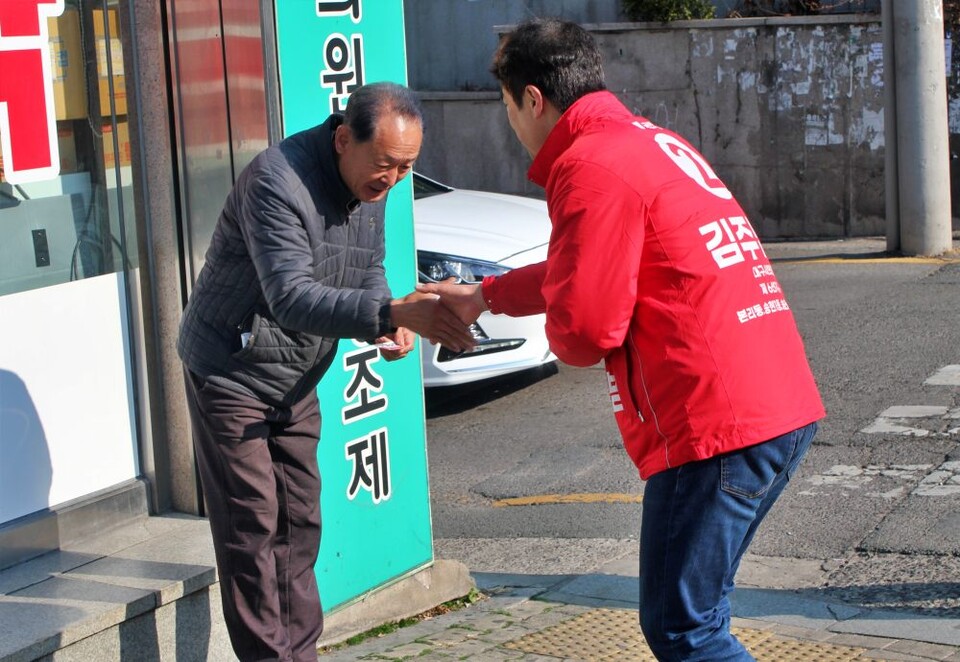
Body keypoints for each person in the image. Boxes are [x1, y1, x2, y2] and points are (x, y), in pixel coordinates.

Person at [419, 19, 825, 661]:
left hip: (713, 424)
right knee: (698, 617)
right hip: (770, 405)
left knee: (685, 631)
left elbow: (584, 332)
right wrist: (487, 295)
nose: (511, 124)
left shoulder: (588, 166)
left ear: (531, 99)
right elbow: (594, 263)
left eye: (505, 105)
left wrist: (553, 324)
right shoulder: (643, 143)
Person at [177, 81, 473, 661]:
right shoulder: (275, 181)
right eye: (386, 165)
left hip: (297, 374)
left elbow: (366, 267)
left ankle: (301, 654)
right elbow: (289, 295)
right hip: (230, 373)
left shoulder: (374, 184)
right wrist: (386, 311)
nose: (392, 179)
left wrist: (390, 317)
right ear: (343, 139)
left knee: (301, 522)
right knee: (251, 530)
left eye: (406, 167)